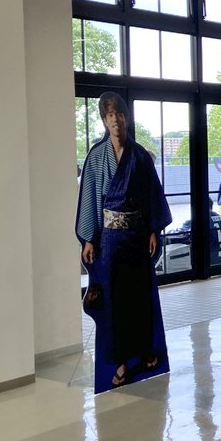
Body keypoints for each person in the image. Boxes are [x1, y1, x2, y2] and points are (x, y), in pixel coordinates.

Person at [76, 92, 171, 390]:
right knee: (115, 301)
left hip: (137, 237)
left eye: (119, 113)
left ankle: (144, 351)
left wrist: (153, 230)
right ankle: (120, 361)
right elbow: (89, 198)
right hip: (110, 241)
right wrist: (89, 239)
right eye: (109, 115)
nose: (115, 119)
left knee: (140, 297)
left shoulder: (140, 156)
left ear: (126, 117)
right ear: (104, 121)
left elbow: (152, 196)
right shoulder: (96, 157)